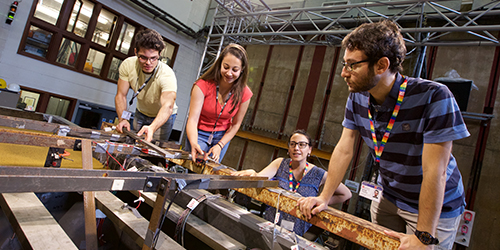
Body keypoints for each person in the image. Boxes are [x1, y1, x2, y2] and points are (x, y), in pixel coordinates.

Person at [297, 20, 470, 250]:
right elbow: (344, 148)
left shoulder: (435, 97)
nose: (343, 73)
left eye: (352, 65)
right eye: (344, 64)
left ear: (381, 65)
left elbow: (435, 171)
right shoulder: (358, 97)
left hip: (433, 210)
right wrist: (325, 197)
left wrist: (425, 236)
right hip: (388, 197)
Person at [233, 130, 351, 236]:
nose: (296, 148)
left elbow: (346, 194)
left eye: (302, 145)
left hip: (298, 232)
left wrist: (321, 200)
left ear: (309, 150)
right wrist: (253, 173)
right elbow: (260, 177)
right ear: (289, 148)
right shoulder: (280, 163)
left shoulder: (318, 174)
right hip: (272, 224)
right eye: (293, 144)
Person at [185, 44, 252, 162]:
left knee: (209, 173)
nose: (229, 73)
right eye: (226, 67)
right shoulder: (202, 85)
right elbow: (192, 119)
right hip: (199, 132)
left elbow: (236, 124)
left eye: (235, 70)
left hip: (222, 136)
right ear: (220, 64)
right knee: (194, 165)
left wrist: (220, 145)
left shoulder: (245, 94)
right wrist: (194, 143)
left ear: (242, 70)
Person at [115, 29, 177, 142]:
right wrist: (123, 119)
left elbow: (168, 106)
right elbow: (121, 95)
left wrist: (152, 128)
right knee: (134, 144)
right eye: (143, 57)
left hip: (163, 116)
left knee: (153, 150)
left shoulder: (167, 74)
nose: (148, 63)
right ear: (135, 52)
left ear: (159, 54)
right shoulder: (127, 65)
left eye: (153, 58)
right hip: (141, 112)